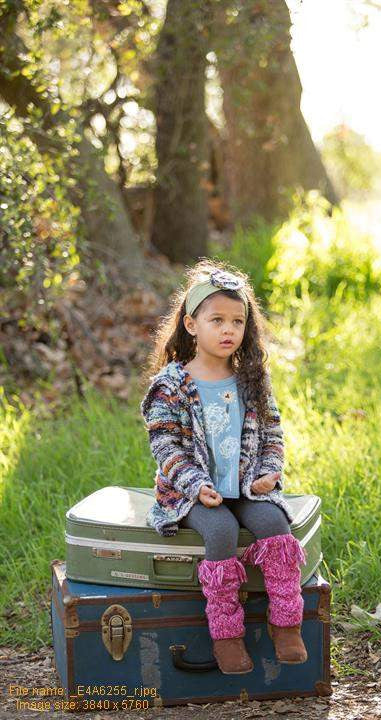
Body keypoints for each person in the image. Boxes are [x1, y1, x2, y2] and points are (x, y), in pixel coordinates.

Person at [140, 259, 308, 675]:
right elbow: (166, 445)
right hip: (192, 493)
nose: (228, 329)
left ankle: (286, 624)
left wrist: (269, 473)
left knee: (274, 524)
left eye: (237, 321)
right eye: (216, 320)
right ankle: (226, 635)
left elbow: (272, 434)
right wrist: (195, 485)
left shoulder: (251, 379)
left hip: (245, 486)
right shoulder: (172, 385)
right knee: (221, 530)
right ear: (191, 324)